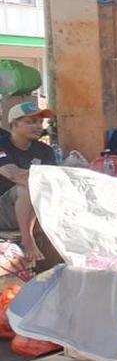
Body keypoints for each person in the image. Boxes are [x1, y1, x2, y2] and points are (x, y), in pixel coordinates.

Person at [0, 103, 56, 263]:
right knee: (27, 188)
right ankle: (27, 240)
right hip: (4, 212)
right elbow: (13, 174)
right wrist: (36, 176)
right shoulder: (2, 144)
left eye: (39, 122)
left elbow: (52, 180)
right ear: (13, 124)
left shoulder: (45, 150)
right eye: (30, 122)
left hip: (36, 210)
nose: (38, 126)